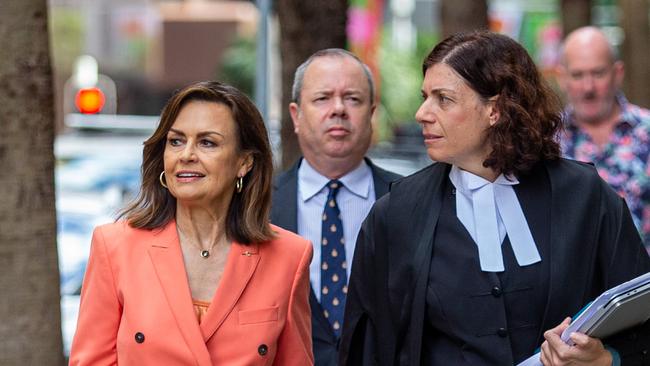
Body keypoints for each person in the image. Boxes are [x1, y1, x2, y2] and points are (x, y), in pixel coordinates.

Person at [340, 31, 650, 366]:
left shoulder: (585, 197)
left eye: (443, 99)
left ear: (496, 109)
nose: (422, 113)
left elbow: (640, 318)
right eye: (424, 96)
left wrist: (607, 360)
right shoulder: (395, 214)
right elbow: (369, 348)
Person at [69, 81, 314, 365]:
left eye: (207, 142)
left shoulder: (289, 257)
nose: (186, 155)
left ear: (244, 162)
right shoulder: (114, 247)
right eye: (176, 141)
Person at [270, 48, 400, 366]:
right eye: (323, 98)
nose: (339, 109)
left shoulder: (408, 201)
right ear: (296, 115)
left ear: (371, 114)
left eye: (353, 99)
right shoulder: (258, 205)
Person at [557, 26, 650, 250]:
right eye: (578, 75)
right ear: (561, 78)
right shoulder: (545, 139)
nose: (588, 87)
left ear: (617, 73)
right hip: (578, 284)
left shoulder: (646, 131)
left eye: (598, 73)